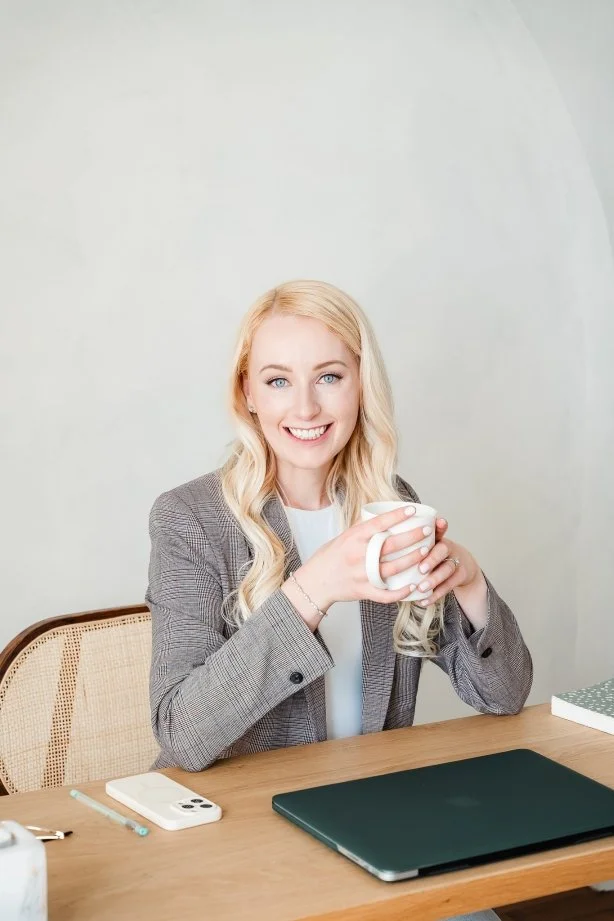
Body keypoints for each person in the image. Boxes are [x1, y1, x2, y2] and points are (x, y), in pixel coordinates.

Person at [147, 280, 532, 921]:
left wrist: (470, 583)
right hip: (242, 840)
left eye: (329, 376)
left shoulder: (390, 504)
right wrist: (313, 589)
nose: (305, 406)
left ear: (360, 386)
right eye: (277, 380)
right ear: (247, 393)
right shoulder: (190, 520)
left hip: (372, 821)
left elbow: (505, 694)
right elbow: (182, 734)